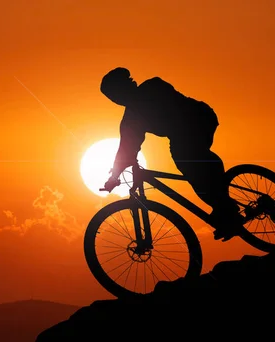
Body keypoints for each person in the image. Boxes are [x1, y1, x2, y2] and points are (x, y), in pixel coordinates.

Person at [99, 67, 241, 241]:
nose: (117, 101)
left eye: (116, 95)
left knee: (187, 159)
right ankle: (225, 209)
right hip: (180, 136)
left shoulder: (153, 87)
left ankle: (227, 210)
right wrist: (114, 175)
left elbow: (175, 110)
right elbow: (126, 148)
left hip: (200, 118)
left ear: (127, 87)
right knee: (191, 168)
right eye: (113, 99)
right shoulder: (131, 119)